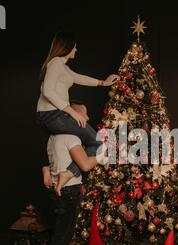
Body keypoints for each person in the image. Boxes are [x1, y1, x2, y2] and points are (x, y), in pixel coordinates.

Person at [37, 31, 119, 195]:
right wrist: (72, 112)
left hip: (53, 116)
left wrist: (103, 83)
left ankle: (52, 169)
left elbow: (79, 78)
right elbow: (47, 91)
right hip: (53, 116)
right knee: (98, 144)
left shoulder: (62, 67)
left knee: (87, 143)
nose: (76, 50)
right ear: (66, 47)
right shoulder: (55, 63)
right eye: (74, 47)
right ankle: (67, 173)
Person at [42, 105, 99, 245]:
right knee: (59, 240)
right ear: (73, 116)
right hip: (69, 192)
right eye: (84, 112)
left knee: (62, 237)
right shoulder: (72, 138)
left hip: (59, 192)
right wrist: (100, 156)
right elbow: (85, 165)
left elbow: (50, 164)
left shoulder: (53, 137)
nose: (88, 115)